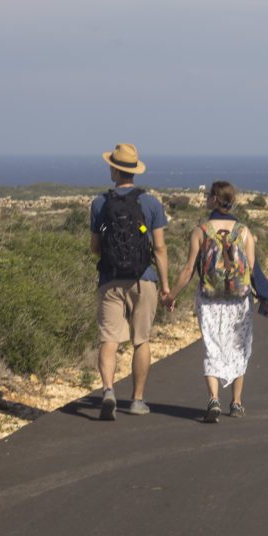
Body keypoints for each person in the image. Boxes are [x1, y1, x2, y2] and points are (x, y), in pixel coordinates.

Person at [168, 181, 261, 423]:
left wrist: (170, 295)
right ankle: (237, 403)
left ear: (214, 200)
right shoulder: (244, 232)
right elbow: (252, 269)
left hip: (209, 299)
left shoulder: (201, 231)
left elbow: (189, 269)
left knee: (212, 346)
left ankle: (213, 398)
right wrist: (266, 298)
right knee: (238, 347)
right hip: (239, 300)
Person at [90, 143, 170, 420]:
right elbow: (159, 248)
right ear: (134, 171)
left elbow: (95, 246)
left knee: (109, 339)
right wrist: (166, 286)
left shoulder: (100, 204)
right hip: (143, 279)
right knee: (141, 340)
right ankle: (137, 400)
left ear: (113, 169)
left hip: (110, 279)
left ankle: (109, 390)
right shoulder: (150, 204)